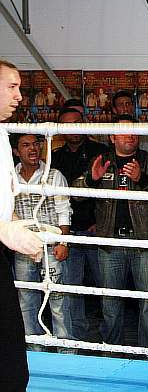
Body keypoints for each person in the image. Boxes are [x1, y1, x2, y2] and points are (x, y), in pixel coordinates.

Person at [77, 114, 148, 348]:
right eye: (125, 131)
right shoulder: (101, 160)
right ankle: (112, 352)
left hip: (144, 241)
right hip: (110, 241)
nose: (131, 135)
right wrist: (91, 179)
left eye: (134, 131)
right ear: (112, 136)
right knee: (110, 303)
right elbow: (75, 193)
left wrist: (142, 179)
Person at [0, 59, 45, 391]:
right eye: (11, 87)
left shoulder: (2, 134)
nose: (19, 96)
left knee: (11, 354)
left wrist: (17, 227)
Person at [11, 133, 75, 349]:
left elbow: (64, 210)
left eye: (36, 144)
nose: (33, 149)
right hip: (22, 246)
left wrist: (63, 242)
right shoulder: (10, 178)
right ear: (16, 151)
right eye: (26, 145)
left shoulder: (54, 175)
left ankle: (66, 352)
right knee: (26, 301)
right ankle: (34, 350)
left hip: (51, 245)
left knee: (58, 300)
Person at [52, 106, 108, 341]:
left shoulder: (101, 151)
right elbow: (55, 197)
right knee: (72, 289)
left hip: (97, 229)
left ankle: (110, 340)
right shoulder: (55, 156)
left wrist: (101, 221)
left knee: (107, 288)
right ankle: (77, 340)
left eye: (77, 123)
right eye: (68, 125)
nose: (74, 129)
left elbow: (110, 190)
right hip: (68, 232)